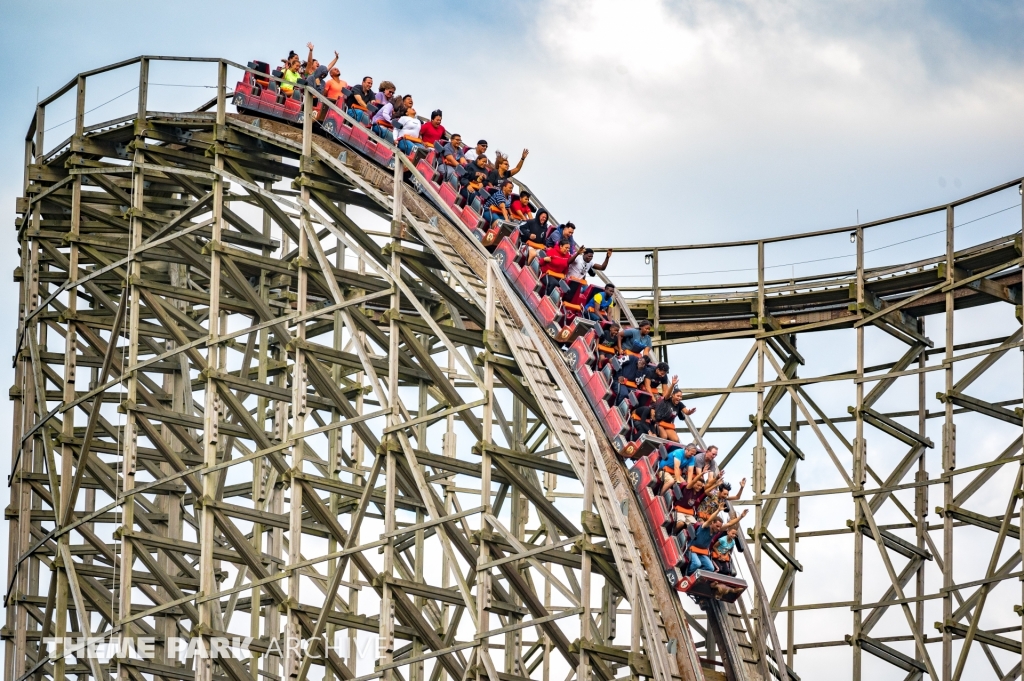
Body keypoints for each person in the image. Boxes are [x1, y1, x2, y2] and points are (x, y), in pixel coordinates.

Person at [687, 508, 747, 576]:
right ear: (712, 523)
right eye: (717, 526)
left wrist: (741, 516)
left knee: (710, 568)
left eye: (719, 527)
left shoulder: (716, 531)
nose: (718, 528)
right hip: (692, 550)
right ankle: (688, 575)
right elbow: (710, 519)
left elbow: (729, 524)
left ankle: (695, 576)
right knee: (697, 563)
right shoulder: (704, 527)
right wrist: (718, 510)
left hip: (701, 553)